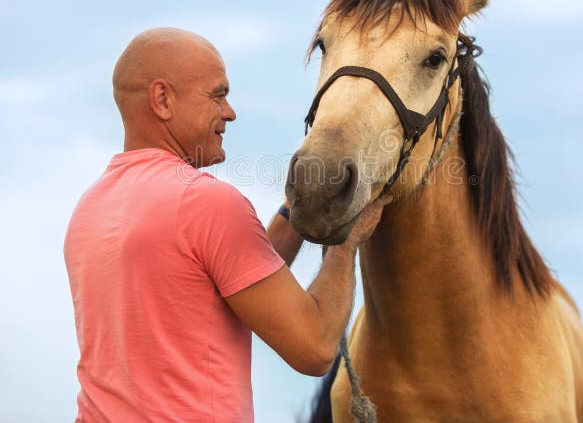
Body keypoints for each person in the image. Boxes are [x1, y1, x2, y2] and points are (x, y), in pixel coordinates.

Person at [63, 27, 388, 422]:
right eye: (218, 96)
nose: (230, 112)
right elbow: (316, 348)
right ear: (162, 99)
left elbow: (232, 278)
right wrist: (346, 239)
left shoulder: (91, 207)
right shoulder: (206, 203)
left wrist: (297, 205)